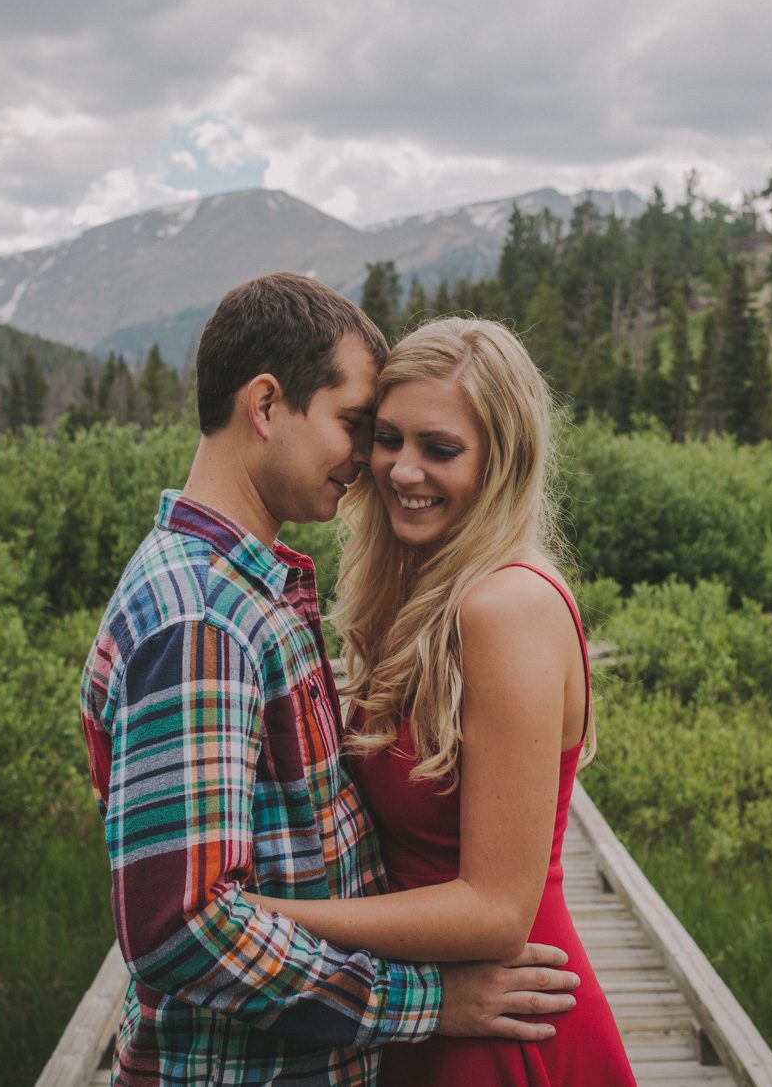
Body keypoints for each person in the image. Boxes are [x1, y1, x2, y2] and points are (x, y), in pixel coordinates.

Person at [78, 275, 579, 1086]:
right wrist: (420, 1002)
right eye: (360, 426)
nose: (372, 463)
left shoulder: (249, 591)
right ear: (268, 405)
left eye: (433, 445)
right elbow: (185, 927)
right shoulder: (200, 617)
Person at [240, 318, 637, 1085]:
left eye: (440, 448)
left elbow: (495, 910)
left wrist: (258, 920)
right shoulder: (420, 586)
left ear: (502, 458)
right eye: (388, 437)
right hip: (429, 1005)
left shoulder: (504, 606)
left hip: (498, 1020)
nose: (401, 469)